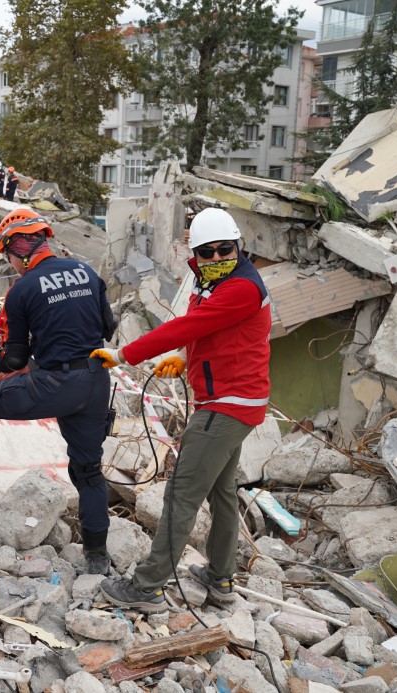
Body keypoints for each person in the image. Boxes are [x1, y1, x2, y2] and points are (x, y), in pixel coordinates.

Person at [93, 207, 271, 613]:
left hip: (226, 406)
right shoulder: (211, 283)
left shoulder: (240, 287)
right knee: (223, 493)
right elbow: (207, 330)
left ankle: (148, 586)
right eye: (206, 253)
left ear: (237, 246)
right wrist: (182, 357)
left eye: (224, 250)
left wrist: (124, 354)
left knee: (181, 496)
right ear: (195, 255)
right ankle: (221, 578)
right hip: (236, 402)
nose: (215, 258)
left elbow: (187, 326)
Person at [0, 208, 118, 574]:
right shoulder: (87, 272)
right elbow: (108, 328)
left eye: (8, 256)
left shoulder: (23, 289)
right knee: (88, 471)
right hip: (96, 383)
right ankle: (97, 557)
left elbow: (13, 357)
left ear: (17, 250)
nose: (11, 264)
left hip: (52, 384)